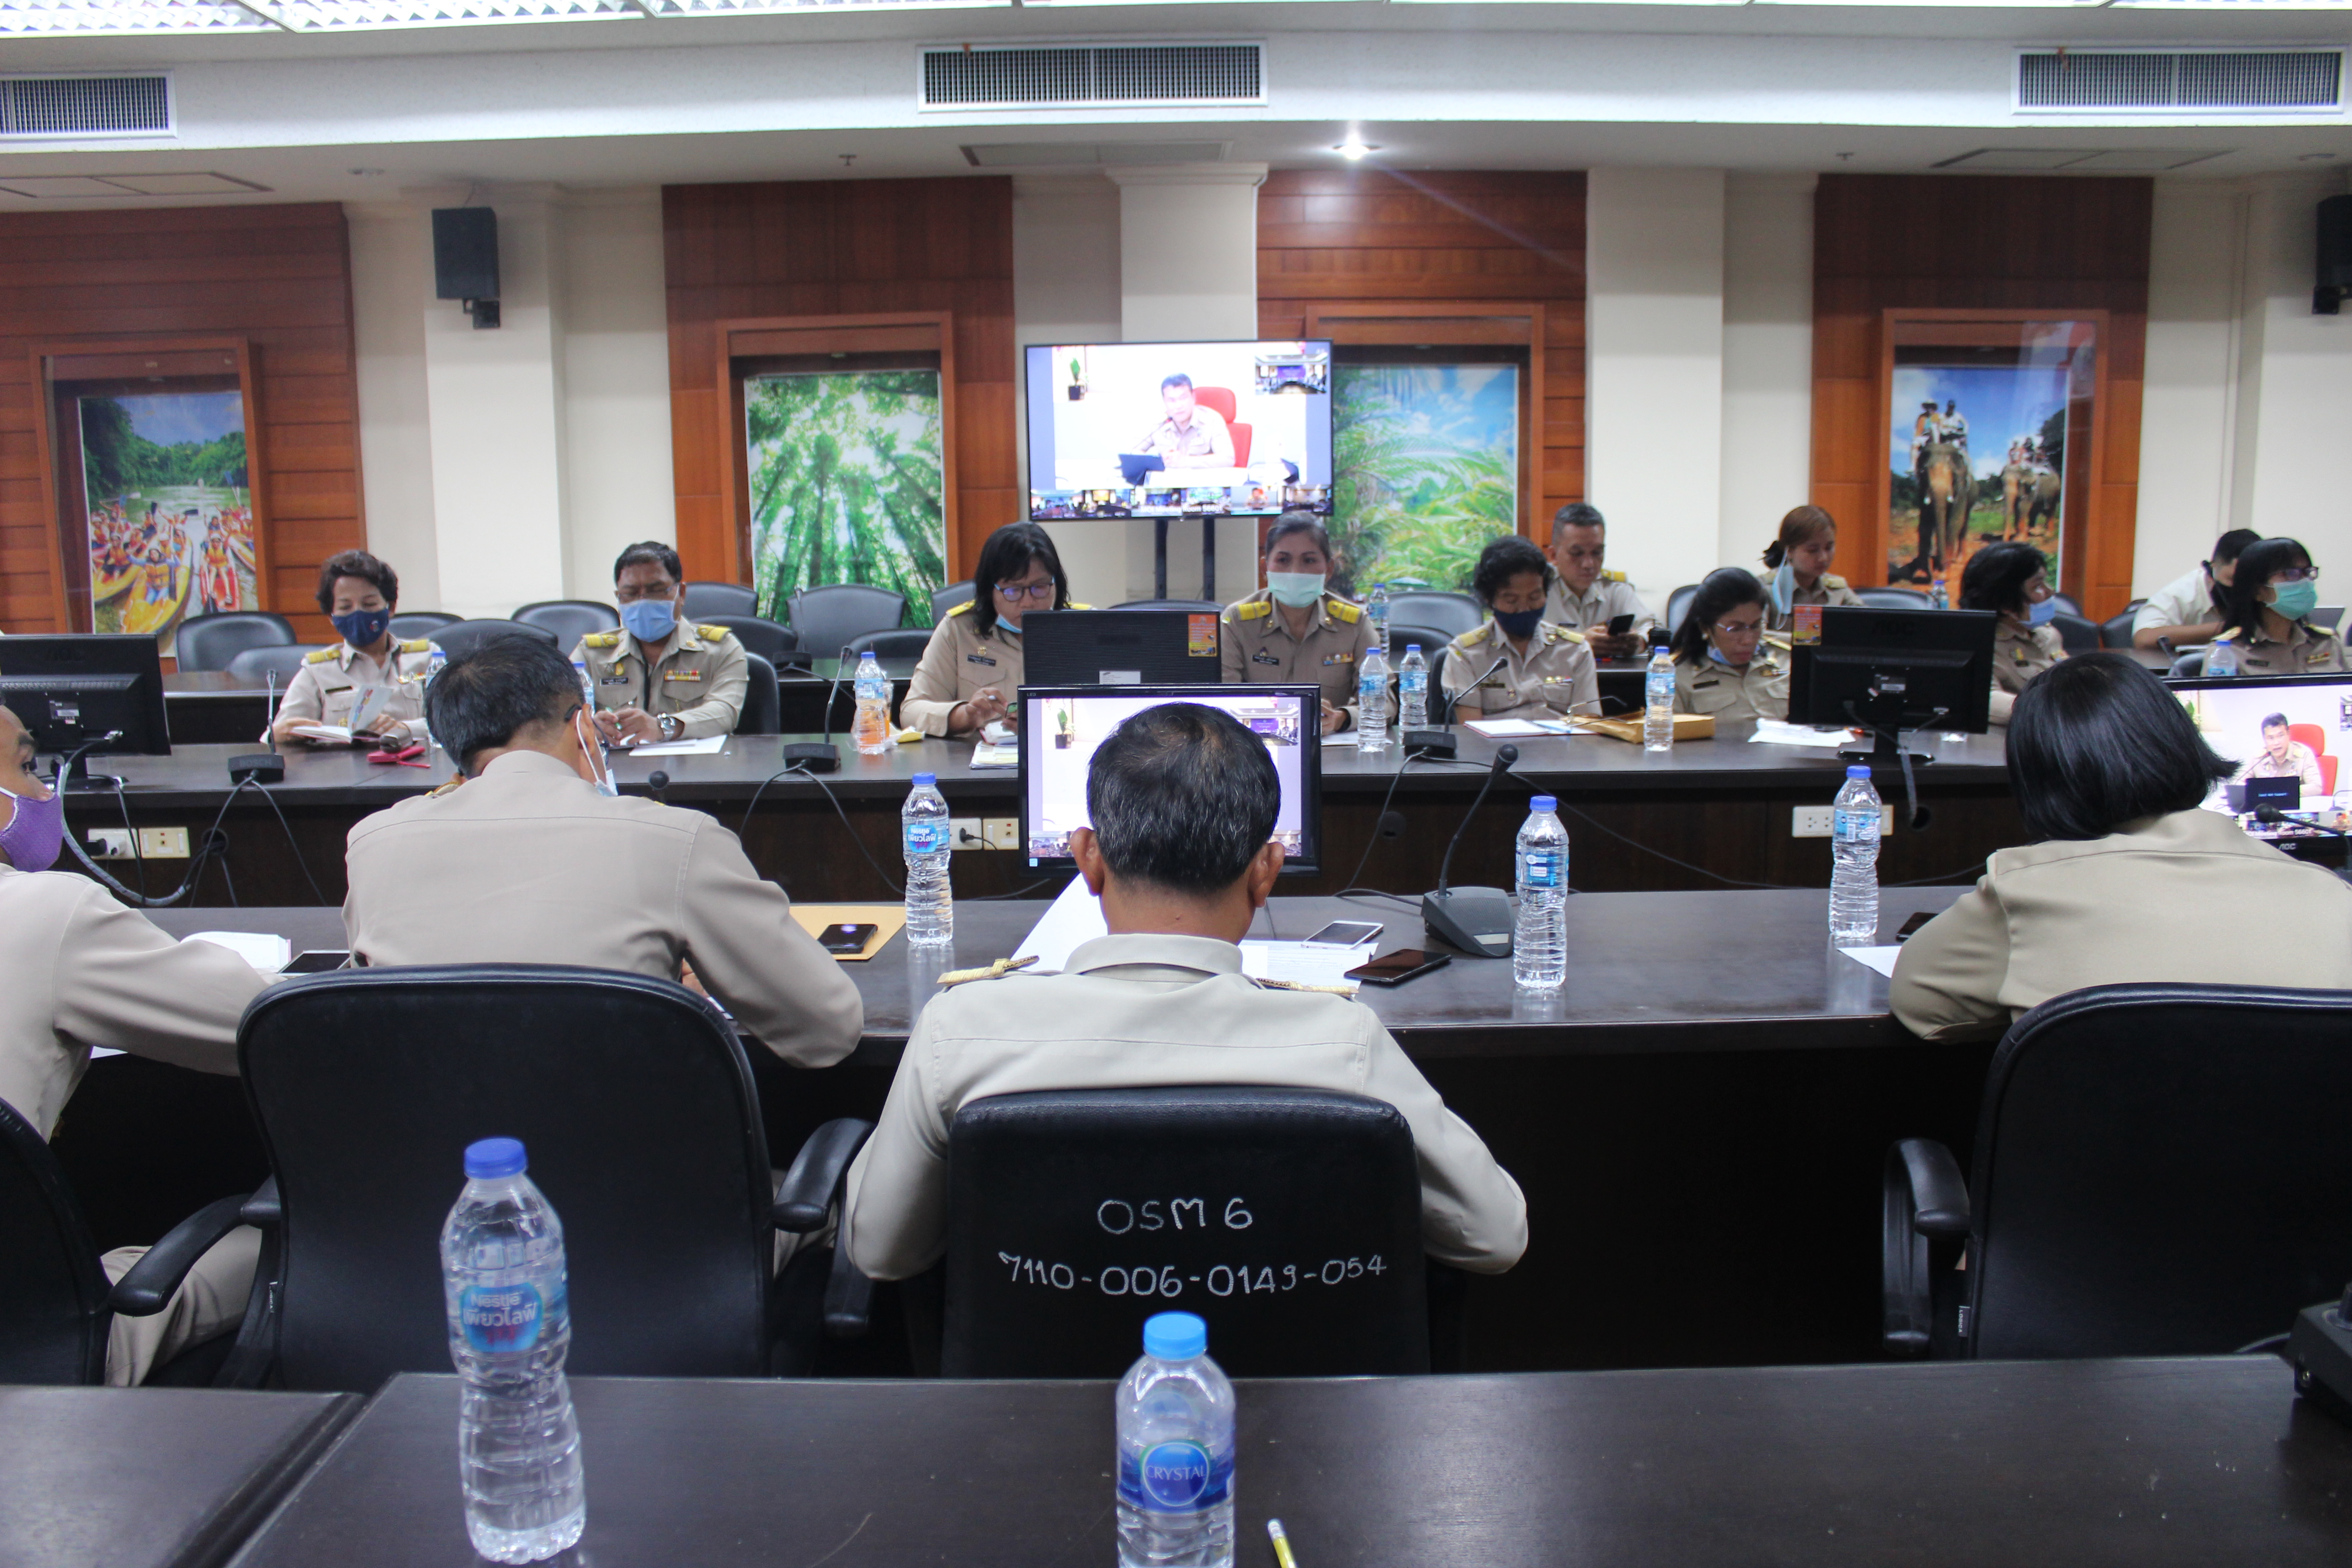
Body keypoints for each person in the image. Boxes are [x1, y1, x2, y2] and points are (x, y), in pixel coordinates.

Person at [843, 701, 1528, 1280]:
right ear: (1266, 872)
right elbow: (1497, 1238)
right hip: (1291, 1424)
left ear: (1087, 858)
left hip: (1024, 1426)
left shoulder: (959, 1033)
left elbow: (880, 1253)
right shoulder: (1343, 1046)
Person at [344, 636, 862, 1069]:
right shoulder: (678, 841)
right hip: (636, 1179)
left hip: (436, 1177)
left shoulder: (371, 844)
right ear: (583, 727)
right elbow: (827, 1029)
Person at [0, 703, 268, 1384]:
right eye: (27, 768)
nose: (41, 793)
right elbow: (259, 1022)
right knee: (296, 1239)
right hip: (28, 1349)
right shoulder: (47, 912)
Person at [1892, 654, 2352, 1041]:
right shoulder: (2330, 896)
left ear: (2037, 780)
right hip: (2296, 1150)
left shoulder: (2024, 892)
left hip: (2095, 1149)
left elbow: (1919, 1001)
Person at [901, 523, 1085, 739]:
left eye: (1040, 587)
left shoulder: (1087, 627)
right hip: (978, 764)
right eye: (1013, 590)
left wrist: (1048, 723)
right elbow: (911, 711)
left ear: (1056, 584)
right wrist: (965, 716)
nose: (1028, 602)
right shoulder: (960, 629)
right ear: (990, 590)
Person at [571, 540, 747, 743]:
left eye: (656, 590)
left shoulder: (721, 648)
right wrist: (587, 725)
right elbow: (556, 714)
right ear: (618, 598)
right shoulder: (591, 653)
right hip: (615, 766)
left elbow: (725, 713)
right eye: (630, 593)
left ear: (681, 594)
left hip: (694, 768)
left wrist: (663, 727)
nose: (642, 600)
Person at [1219, 512, 1376, 734]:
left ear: (1328, 569)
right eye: (1283, 560)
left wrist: (1341, 718)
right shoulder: (1237, 621)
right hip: (1257, 749)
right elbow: (1221, 701)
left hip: (1331, 752)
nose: (1295, 572)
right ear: (1266, 568)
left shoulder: (1354, 624)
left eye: (1309, 560)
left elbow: (1384, 701)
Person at [269, 549, 441, 747]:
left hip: (418, 769)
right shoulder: (318, 670)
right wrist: (280, 734)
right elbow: (276, 734)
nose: (358, 613)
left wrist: (406, 729)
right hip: (342, 773)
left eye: (369, 604)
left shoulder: (427, 657)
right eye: (345, 608)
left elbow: (454, 724)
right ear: (331, 617)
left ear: (391, 607)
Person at [1441, 535, 1599, 724]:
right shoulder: (1466, 654)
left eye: (1534, 597)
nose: (1524, 608)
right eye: (1511, 601)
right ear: (1489, 600)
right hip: (1495, 752)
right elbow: (1471, 736)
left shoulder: (1575, 651)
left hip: (1560, 751)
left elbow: (1588, 729)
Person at [1960, 541, 2063, 725]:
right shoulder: (1977, 644)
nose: (2050, 591)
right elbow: (1985, 700)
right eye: (2037, 586)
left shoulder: (2046, 633)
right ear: (2006, 603)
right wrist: (2058, 709)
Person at [2211, 536, 2346, 676]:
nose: (2305, 582)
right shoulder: (2228, 651)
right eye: (2291, 574)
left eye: (2307, 572)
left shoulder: (2326, 643)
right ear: (2258, 591)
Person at [1671, 567, 1788, 722]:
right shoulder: (1677, 676)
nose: (1748, 640)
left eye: (1755, 626)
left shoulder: (1787, 660)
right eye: (1735, 629)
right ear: (1706, 628)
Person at [1541, 504, 1651, 659]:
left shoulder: (1615, 589)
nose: (1589, 564)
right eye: (1577, 553)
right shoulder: (1539, 591)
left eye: (1597, 553)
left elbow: (1653, 629)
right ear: (1553, 555)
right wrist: (1579, 642)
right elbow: (1526, 640)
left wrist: (1640, 642)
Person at [2132, 529, 2260, 651]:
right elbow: (2144, 638)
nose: (2242, 586)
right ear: (2212, 568)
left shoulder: (2266, 590)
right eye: (2234, 579)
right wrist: (2229, 628)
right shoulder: (2182, 594)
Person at [1760, 505, 1864, 632]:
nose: (1823, 558)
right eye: (1812, 550)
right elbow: (1758, 639)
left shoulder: (1838, 589)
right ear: (1790, 551)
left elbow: (1866, 624)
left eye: (1829, 548)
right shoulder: (1766, 589)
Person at [1133, 373, 1234, 470]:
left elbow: (1228, 459)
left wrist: (1186, 461)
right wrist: (1157, 462)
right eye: (1172, 401)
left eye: (1183, 398)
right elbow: (1134, 452)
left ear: (1193, 398)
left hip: (1204, 484)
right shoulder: (1158, 424)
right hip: (1168, 484)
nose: (1178, 406)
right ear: (1165, 402)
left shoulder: (1212, 420)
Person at [2242, 711, 2324, 795]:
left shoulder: (2304, 755)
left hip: (2295, 806)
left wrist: (2284, 790)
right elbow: (2239, 784)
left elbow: (2316, 788)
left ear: (2288, 734)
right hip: (2267, 806)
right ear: (2264, 739)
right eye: (2271, 738)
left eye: (2280, 736)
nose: (2276, 743)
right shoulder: (2258, 759)